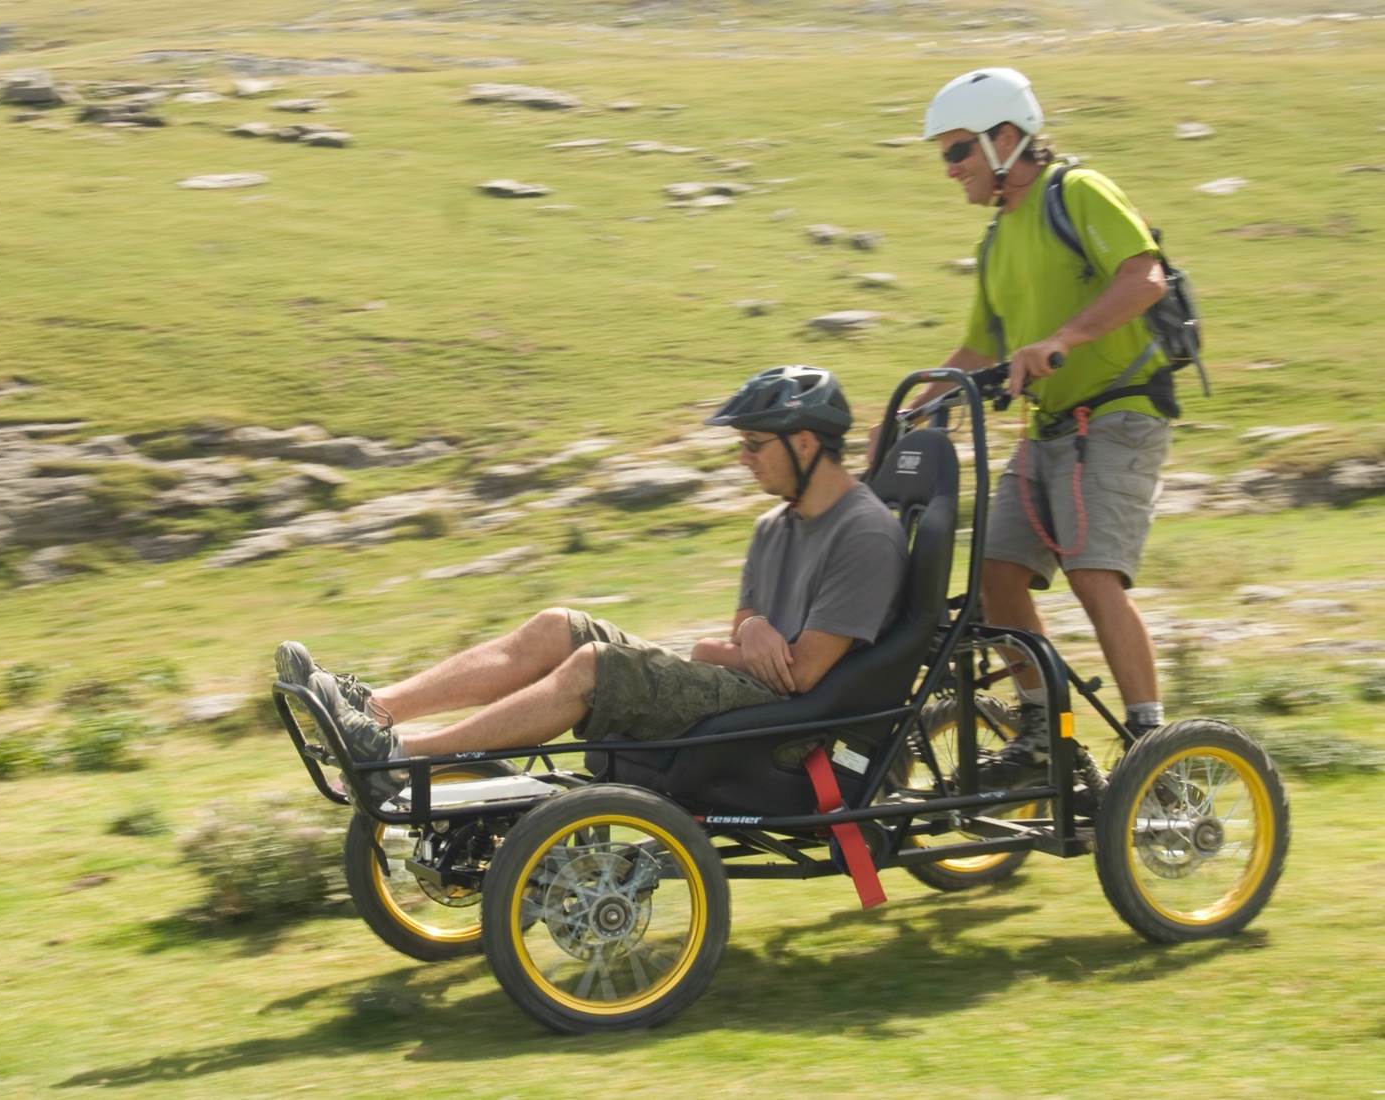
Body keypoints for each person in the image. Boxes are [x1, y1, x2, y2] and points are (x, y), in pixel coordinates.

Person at [277, 366, 908, 803]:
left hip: (788, 729)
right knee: (560, 626)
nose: (742, 458)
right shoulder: (776, 524)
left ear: (804, 441)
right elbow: (743, 630)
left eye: (753, 445)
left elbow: (800, 677)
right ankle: (371, 711)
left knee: (598, 666)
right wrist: (750, 634)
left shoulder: (864, 533)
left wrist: (729, 646)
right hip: (743, 691)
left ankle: (405, 756)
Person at [908, 67, 1174, 785]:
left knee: (1092, 573)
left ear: (1004, 138)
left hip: (1119, 414)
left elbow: (1145, 276)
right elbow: (979, 347)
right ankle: (1043, 736)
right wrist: (905, 413)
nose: (950, 169)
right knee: (996, 573)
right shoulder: (997, 242)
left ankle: (1152, 740)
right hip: (1050, 426)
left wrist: (1063, 340)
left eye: (956, 150)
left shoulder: (1076, 192)